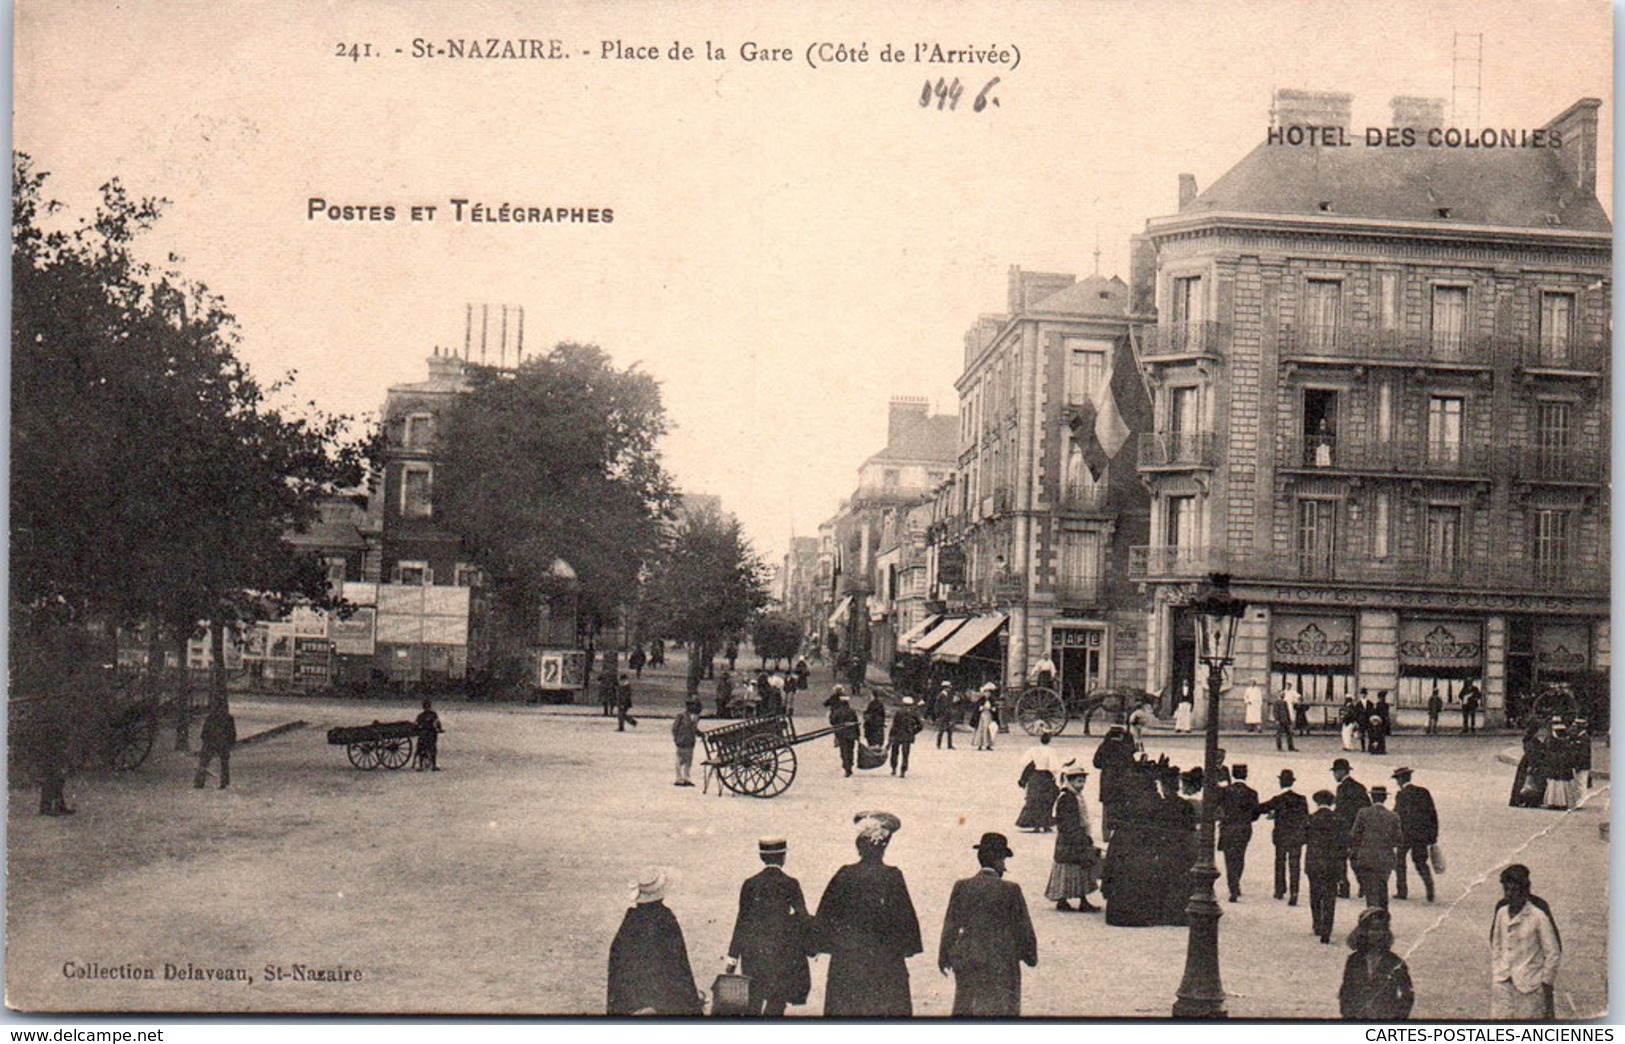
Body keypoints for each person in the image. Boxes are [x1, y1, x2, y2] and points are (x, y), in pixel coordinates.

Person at [815, 812, 922, 1016]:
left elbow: (825, 916)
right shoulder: (892, 877)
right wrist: (906, 948)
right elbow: (905, 920)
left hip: (847, 962)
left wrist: (824, 944)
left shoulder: (844, 874)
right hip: (885, 963)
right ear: (883, 847)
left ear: (859, 847)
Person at [939, 832, 1038, 1016]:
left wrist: (944, 955)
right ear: (999, 861)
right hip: (1002, 959)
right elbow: (1023, 928)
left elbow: (950, 925)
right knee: (1001, 1009)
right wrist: (1030, 955)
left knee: (967, 1006)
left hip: (969, 956)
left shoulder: (962, 886)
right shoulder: (1011, 890)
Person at [727, 837, 813, 1016]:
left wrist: (732, 957)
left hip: (753, 953)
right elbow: (803, 917)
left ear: (761, 857)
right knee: (777, 1002)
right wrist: (814, 944)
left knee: (753, 1003)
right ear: (783, 857)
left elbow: (742, 921)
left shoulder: (750, 884)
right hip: (781, 953)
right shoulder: (791, 883)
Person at [607, 867, 703, 1015]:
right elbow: (680, 965)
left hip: (633, 1002)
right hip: (662, 1003)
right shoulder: (665, 919)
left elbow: (617, 958)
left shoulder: (630, 920)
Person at [1489, 864, 1561, 1020]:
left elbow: (1554, 951)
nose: (1509, 895)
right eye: (1506, 890)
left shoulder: (1538, 913)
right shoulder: (1502, 910)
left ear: (1525, 891)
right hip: (1503, 981)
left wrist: (1545, 982)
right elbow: (1495, 943)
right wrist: (1498, 969)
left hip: (1529, 985)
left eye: (1514, 890)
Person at [1339, 908, 1414, 1020]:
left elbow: (1407, 993)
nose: (1376, 934)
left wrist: (1399, 1017)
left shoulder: (1395, 962)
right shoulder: (1353, 960)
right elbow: (1346, 991)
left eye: (1380, 929)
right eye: (1372, 929)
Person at [1047, 764, 1101, 912]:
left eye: (1083, 781)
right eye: (1078, 781)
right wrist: (1079, 836)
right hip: (1070, 839)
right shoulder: (1067, 798)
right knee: (1073, 868)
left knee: (1079, 868)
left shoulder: (1074, 796)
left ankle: (1079, 900)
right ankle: (1066, 900)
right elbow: (1066, 822)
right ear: (1070, 781)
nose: (1082, 785)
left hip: (1074, 837)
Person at [1257, 769, 1308, 905]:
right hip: (1296, 836)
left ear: (1280, 782)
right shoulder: (1301, 799)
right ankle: (1294, 892)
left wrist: (1275, 814)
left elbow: (1260, 808)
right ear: (1292, 782)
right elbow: (1305, 817)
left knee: (1280, 862)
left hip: (1281, 835)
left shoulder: (1278, 799)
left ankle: (1279, 890)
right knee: (1295, 864)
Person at [1349, 784, 1404, 909]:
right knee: (1382, 888)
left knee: (1371, 892)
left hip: (1366, 857)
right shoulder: (1393, 816)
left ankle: (1373, 919)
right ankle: (1383, 917)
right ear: (1384, 798)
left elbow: (1354, 835)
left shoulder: (1363, 813)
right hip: (1385, 859)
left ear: (1372, 797)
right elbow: (1398, 840)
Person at [1305, 790, 1347, 944]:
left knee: (1315, 894)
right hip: (1332, 864)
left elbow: (1304, 838)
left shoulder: (1311, 819)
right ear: (1332, 803)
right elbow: (1344, 844)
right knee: (1330, 897)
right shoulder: (1339, 820)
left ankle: (1317, 924)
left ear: (1317, 802)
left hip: (1314, 863)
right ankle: (1327, 930)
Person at [1392, 767, 1438, 902]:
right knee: (1421, 863)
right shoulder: (1423, 792)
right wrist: (1433, 835)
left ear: (1400, 780)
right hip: (1421, 835)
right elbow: (1432, 814)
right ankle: (1430, 889)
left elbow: (1398, 816)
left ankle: (1402, 891)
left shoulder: (1401, 795)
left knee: (1399, 862)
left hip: (1406, 835)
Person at [1217, 763, 1259, 902]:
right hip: (1244, 828)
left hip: (1228, 827)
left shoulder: (1224, 791)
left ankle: (1232, 886)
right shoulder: (1252, 793)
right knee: (1240, 856)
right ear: (1245, 775)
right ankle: (1236, 883)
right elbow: (1255, 814)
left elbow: (1217, 808)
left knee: (1229, 858)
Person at [1331, 758, 1370, 899]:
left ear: (1341, 771)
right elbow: (1367, 807)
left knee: (1340, 859)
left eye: (1335, 772)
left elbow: (1341, 810)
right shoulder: (1360, 787)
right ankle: (1364, 885)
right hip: (1359, 828)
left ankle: (1344, 887)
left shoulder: (1341, 788)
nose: (1334, 775)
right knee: (1356, 859)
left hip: (1345, 828)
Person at [1092, 725, 1137, 842]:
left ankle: (1106, 836)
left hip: (1107, 782)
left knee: (1106, 810)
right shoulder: (1126, 748)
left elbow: (1096, 763)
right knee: (1121, 809)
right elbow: (1132, 765)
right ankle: (1119, 835)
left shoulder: (1104, 746)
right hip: (1122, 783)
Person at [1016, 732, 1061, 832]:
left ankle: (1036, 825)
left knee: (1035, 801)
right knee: (1047, 801)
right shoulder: (1051, 751)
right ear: (1049, 740)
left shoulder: (1033, 749)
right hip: (1046, 776)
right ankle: (1045, 824)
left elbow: (1023, 761)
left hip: (1035, 776)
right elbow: (1054, 766)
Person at [194, 703, 237, 789]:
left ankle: (200, 781)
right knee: (224, 763)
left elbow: (204, 732)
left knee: (204, 762)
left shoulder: (210, 718)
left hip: (210, 741)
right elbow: (232, 732)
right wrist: (231, 742)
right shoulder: (228, 718)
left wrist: (205, 739)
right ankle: (224, 782)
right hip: (223, 742)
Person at [1542, 722, 1580, 809]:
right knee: (1563, 784)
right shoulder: (1566, 742)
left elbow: (1548, 753)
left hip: (1555, 766)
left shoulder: (1551, 741)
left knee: (1554, 784)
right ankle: (1563, 802)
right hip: (1563, 766)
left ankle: (1553, 801)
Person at [888, 696, 923, 777]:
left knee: (895, 752)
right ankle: (903, 770)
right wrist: (913, 732)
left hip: (897, 735)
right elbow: (920, 726)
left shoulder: (899, 712)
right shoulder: (914, 713)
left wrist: (891, 735)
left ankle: (894, 768)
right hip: (908, 736)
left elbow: (894, 725)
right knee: (905, 754)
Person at [829, 692, 859, 777]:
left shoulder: (838, 711)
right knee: (850, 750)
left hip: (841, 734)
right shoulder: (852, 711)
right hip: (851, 735)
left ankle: (846, 768)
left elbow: (832, 721)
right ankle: (850, 766)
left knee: (844, 751)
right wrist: (858, 735)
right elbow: (856, 723)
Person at [671, 703, 699, 787]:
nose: (693, 707)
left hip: (690, 741)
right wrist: (676, 739)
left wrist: (700, 733)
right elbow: (674, 728)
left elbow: (694, 729)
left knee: (688, 761)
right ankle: (679, 778)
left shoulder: (695, 717)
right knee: (680, 760)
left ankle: (687, 778)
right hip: (682, 741)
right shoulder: (681, 716)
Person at [414, 699, 442, 771]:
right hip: (430, 734)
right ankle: (433, 765)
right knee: (432, 749)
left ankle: (421, 765)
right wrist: (439, 729)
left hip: (423, 734)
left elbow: (416, 725)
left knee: (421, 748)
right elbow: (437, 723)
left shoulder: (420, 716)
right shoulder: (433, 714)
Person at [971, 683, 999, 750]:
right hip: (982, 716)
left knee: (988, 730)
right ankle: (979, 744)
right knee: (981, 729)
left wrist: (993, 709)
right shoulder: (981, 700)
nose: (987, 694)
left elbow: (994, 708)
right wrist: (982, 708)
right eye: (986, 693)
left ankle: (988, 744)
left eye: (989, 693)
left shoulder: (992, 700)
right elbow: (978, 709)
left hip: (989, 716)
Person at [933, 682, 959, 750]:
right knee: (941, 730)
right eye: (948, 687)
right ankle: (938, 744)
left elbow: (950, 705)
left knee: (950, 730)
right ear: (945, 687)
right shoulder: (940, 695)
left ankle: (949, 745)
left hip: (948, 714)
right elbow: (937, 706)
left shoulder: (948, 695)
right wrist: (938, 715)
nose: (949, 689)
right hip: (943, 714)